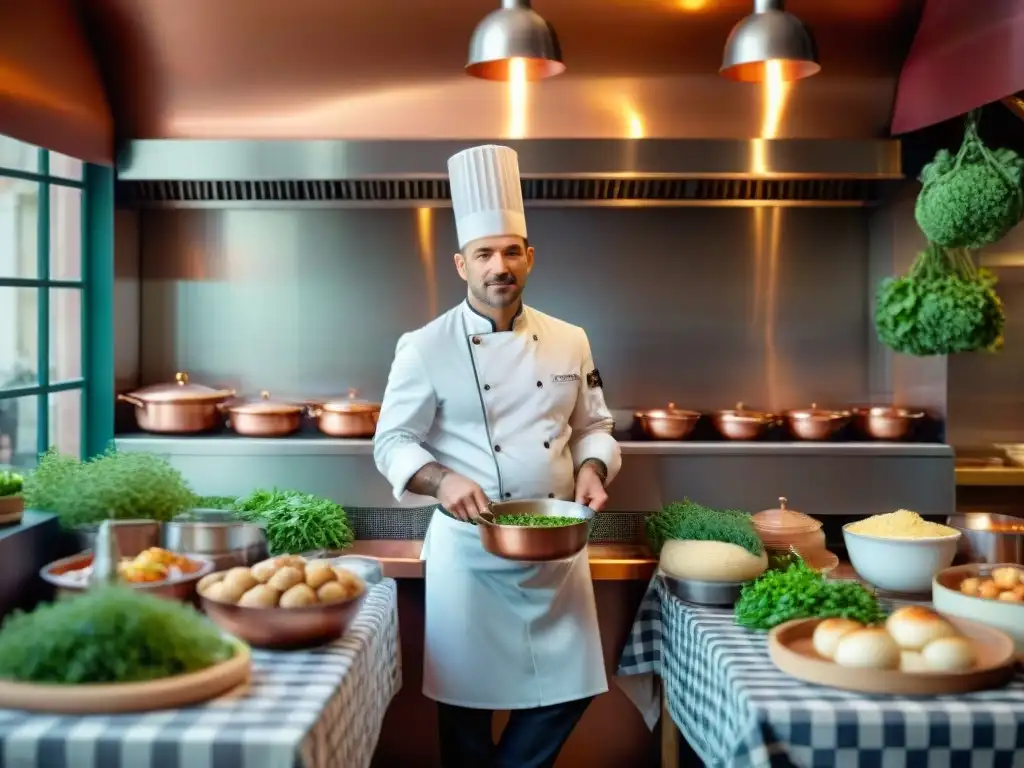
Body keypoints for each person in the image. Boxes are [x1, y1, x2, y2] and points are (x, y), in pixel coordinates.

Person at [373, 144, 622, 768]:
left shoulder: (570, 339)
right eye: (484, 253)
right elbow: (392, 442)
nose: (499, 266)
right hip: (470, 553)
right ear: (462, 264)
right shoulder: (424, 346)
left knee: (569, 689)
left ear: (530, 258)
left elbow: (594, 426)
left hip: (556, 547)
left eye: (511, 251)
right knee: (464, 720)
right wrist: (441, 481)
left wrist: (593, 468)